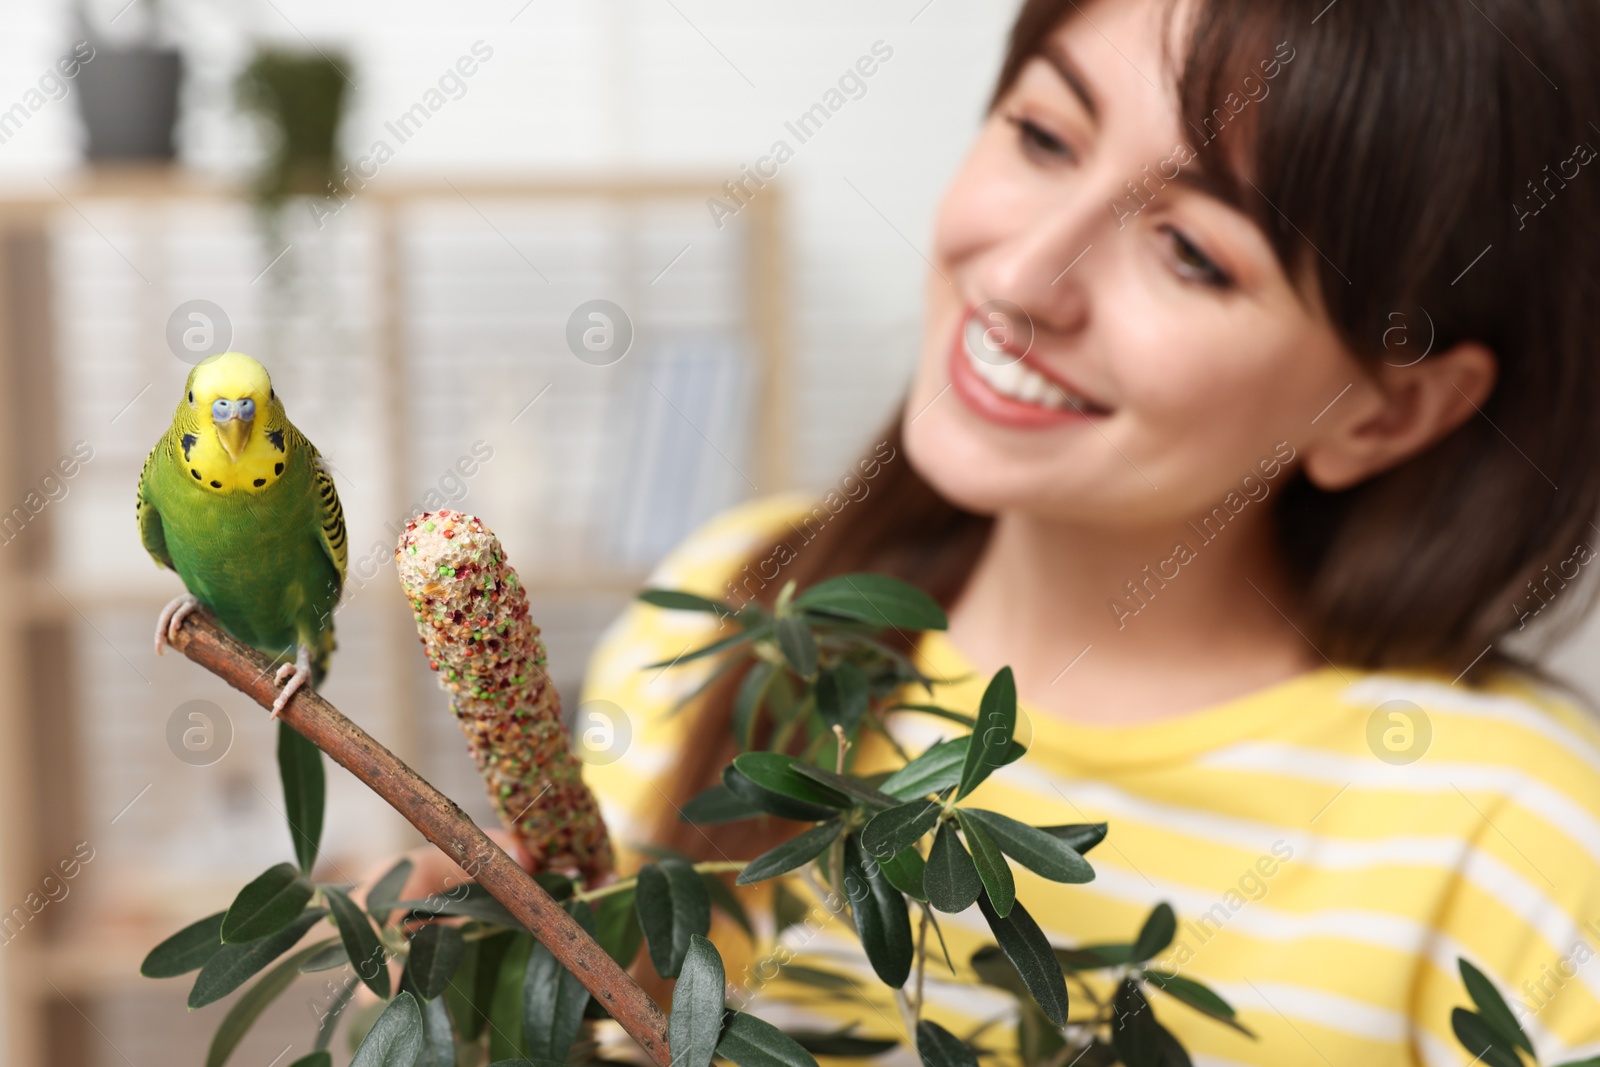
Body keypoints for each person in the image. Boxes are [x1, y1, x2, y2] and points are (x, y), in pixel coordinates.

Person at [577, 0, 1600, 1062]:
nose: (1022, 278)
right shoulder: (734, 600)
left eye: (1191, 251)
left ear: (1386, 410)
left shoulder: (1522, 841)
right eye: (1044, 136)